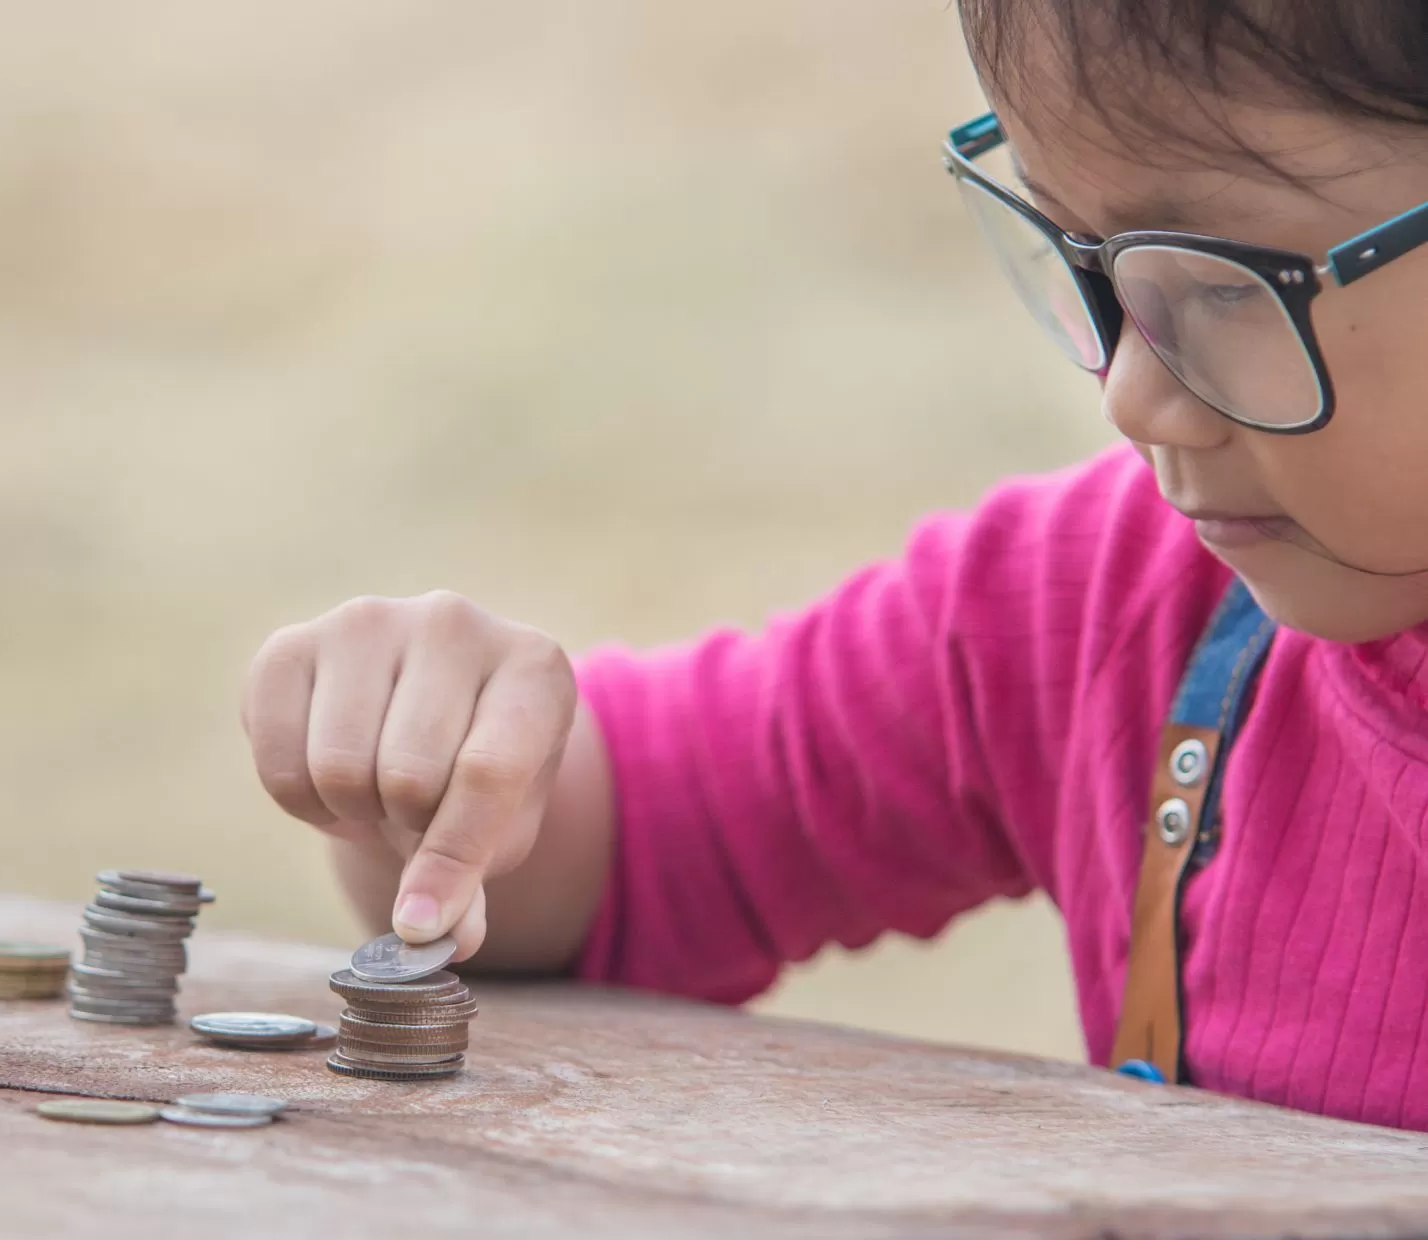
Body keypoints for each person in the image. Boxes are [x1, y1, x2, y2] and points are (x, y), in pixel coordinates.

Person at [240, 0, 1428, 1132]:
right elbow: (618, 863)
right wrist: (449, 757)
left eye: (1223, 286)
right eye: (1077, 254)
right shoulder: (1110, 600)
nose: (1130, 397)